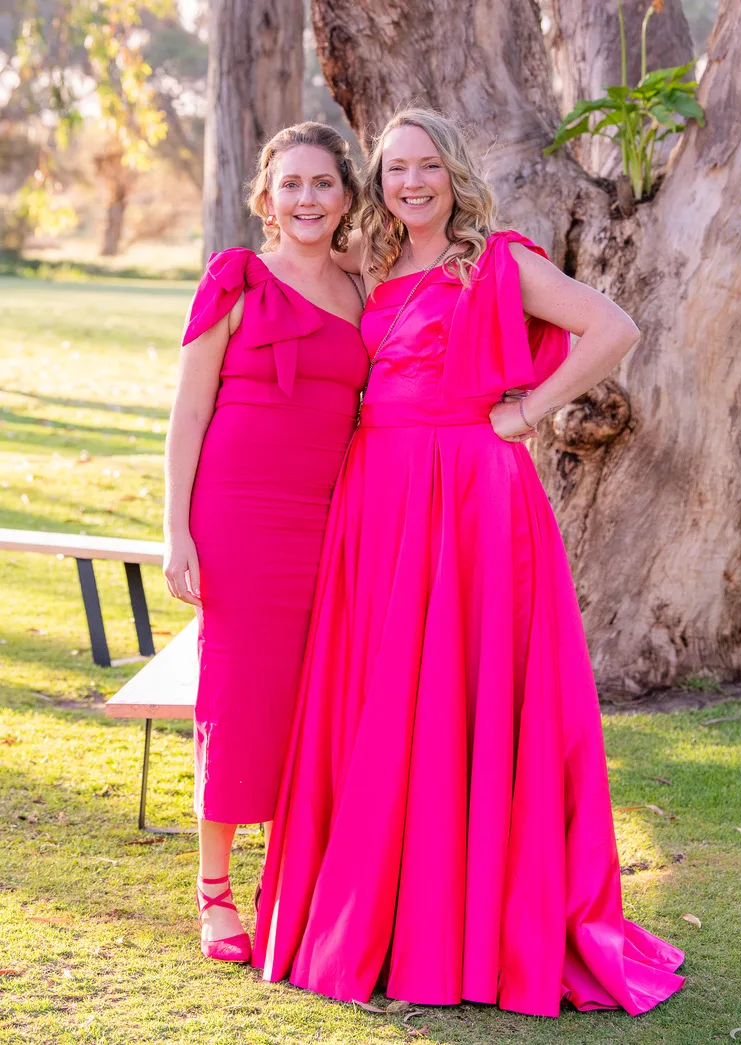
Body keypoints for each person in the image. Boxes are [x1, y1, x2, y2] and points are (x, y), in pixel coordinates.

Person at [252, 108, 685, 1016]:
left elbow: (612, 328)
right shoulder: (369, 263)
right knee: (383, 694)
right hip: (378, 492)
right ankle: (387, 906)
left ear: (454, 172)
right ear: (380, 181)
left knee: (463, 690)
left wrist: (529, 413)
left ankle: (471, 918)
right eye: (396, 169)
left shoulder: (494, 261)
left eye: (427, 166)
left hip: (472, 494)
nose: (412, 182)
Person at [163, 122, 369, 962]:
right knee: (239, 693)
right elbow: (188, 409)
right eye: (291, 184)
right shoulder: (237, 279)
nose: (308, 199)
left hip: (330, 518)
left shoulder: (365, 285)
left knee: (314, 697)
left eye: (323, 183)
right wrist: (175, 528)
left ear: (347, 196)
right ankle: (213, 891)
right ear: (266, 197)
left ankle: (285, 878)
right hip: (238, 517)